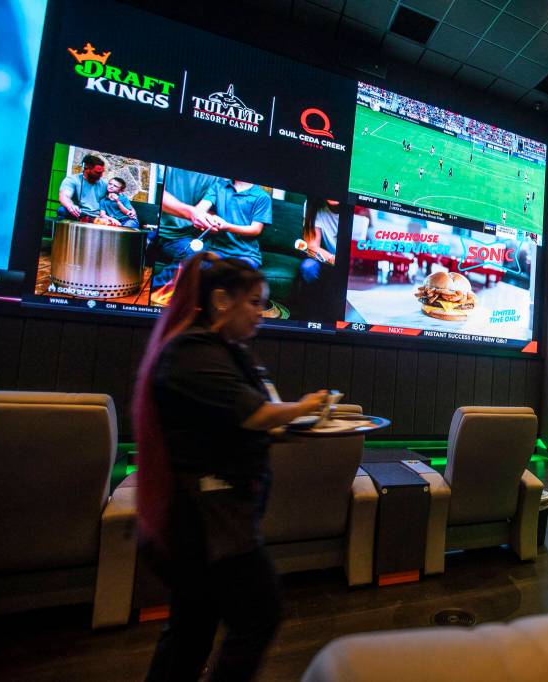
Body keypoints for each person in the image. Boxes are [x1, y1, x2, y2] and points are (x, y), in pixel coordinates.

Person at [133, 253, 328, 681]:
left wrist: (281, 422)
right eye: (255, 303)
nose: (262, 313)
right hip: (205, 521)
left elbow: (239, 420)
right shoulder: (193, 352)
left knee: (191, 628)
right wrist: (308, 407)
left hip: (207, 518)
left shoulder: (219, 350)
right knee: (259, 613)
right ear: (222, 300)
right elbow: (255, 414)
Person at [153, 167, 220, 288]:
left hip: (184, 239)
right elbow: (157, 195)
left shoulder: (218, 179)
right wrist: (192, 213)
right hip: (158, 231)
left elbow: (209, 210)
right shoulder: (163, 167)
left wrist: (210, 220)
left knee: (202, 257)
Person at [197, 179, 272, 271]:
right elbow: (199, 211)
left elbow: (256, 229)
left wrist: (227, 226)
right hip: (215, 250)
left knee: (233, 277)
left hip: (245, 254)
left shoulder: (262, 196)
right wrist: (208, 217)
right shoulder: (218, 186)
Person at [57, 153, 107, 220]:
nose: (101, 175)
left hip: (97, 217)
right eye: (97, 172)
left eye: (102, 172)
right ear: (86, 168)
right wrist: (70, 206)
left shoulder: (105, 184)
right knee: (62, 210)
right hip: (79, 214)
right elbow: (64, 196)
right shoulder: (72, 180)